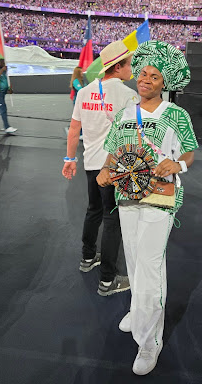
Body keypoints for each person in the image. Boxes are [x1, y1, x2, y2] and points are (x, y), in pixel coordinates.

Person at [96, 40, 198, 376]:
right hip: (126, 195)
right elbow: (113, 150)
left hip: (161, 198)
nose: (146, 79)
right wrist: (105, 169)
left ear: (164, 83)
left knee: (151, 266)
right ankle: (139, 313)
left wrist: (176, 166)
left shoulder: (176, 115)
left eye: (154, 76)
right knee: (136, 259)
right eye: (143, 74)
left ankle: (150, 339)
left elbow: (189, 154)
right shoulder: (125, 113)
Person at [62, 40, 139, 297]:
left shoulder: (85, 92)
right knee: (111, 219)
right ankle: (107, 280)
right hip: (114, 168)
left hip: (91, 164)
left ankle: (87, 259)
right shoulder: (129, 95)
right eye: (129, 64)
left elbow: (74, 129)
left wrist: (69, 159)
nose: (132, 69)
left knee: (93, 210)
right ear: (118, 66)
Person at [70, 66, 84, 140]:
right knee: (79, 118)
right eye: (81, 72)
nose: (82, 73)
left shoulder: (82, 81)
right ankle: (80, 133)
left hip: (83, 102)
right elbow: (80, 90)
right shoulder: (76, 81)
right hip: (77, 102)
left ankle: (82, 133)